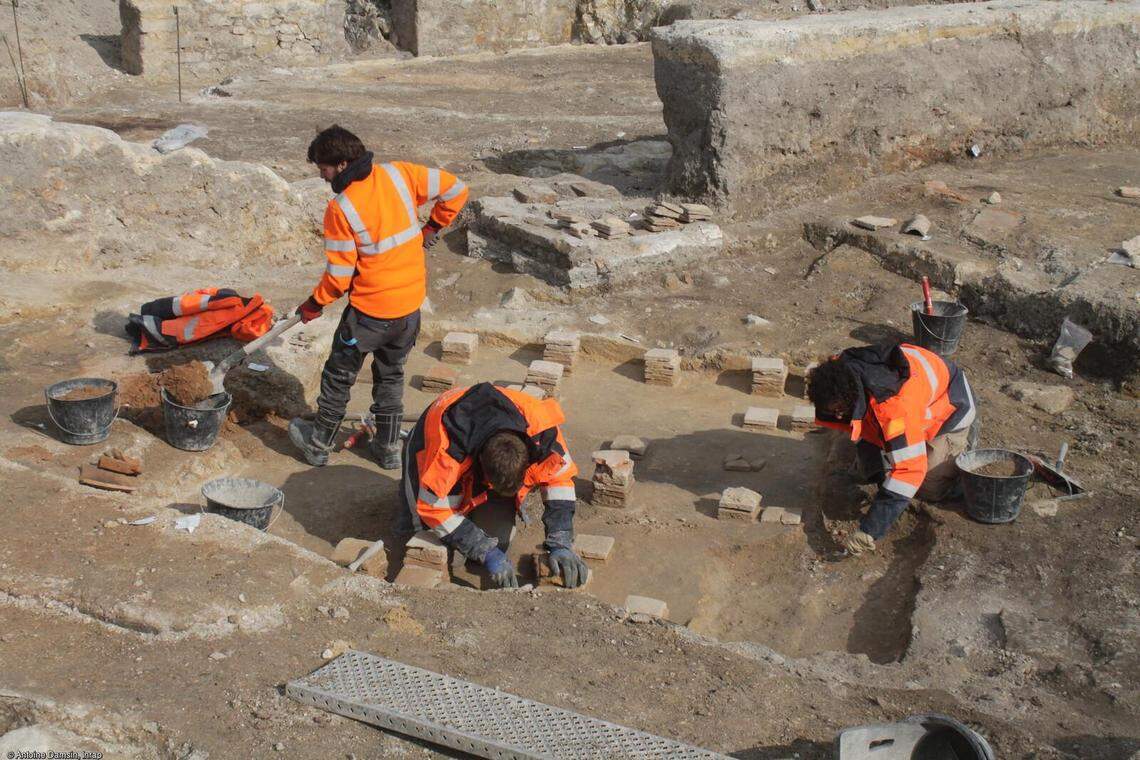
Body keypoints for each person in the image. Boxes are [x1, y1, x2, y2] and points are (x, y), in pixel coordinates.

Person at [288, 125, 468, 469]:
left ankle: (318, 445)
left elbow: (339, 277)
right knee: (391, 375)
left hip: (369, 314)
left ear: (341, 165)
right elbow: (456, 189)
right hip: (409, 309)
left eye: (324, 170)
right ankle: (387, 449)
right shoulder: (399, 174)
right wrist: (432, 227)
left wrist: (314, 304)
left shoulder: (340, 209)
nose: (323, 177)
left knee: (339, 375)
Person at [398, 383, 588, 589]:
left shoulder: (542, 430)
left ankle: (469, 517)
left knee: (500, 540)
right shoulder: (445, 454)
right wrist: (483, 549)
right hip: (430, 434)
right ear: (480, 466)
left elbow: (560, 480)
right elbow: (432, 509)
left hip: (487, 437)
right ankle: (413, 526)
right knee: (425, 533)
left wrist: (561, 542)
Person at [809, 342, 978, 556]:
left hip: (951, 407)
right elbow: (864, 425)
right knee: (872, 465)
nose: (838, 416)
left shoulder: (894, 408)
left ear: (853, 397)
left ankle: (961, 450)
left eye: (840, 410)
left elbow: (909, 472)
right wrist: (877, 472)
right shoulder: (838, 372)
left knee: (927, 488)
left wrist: (870, 530)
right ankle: (893, 455)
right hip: (914, 399)